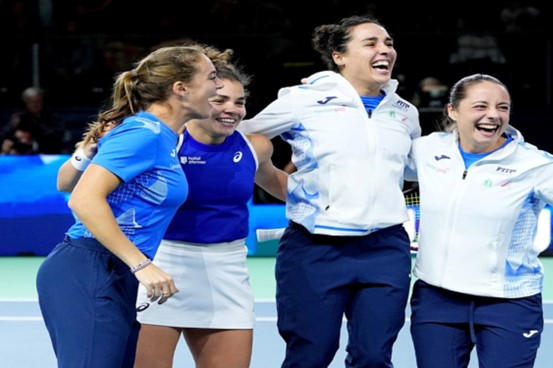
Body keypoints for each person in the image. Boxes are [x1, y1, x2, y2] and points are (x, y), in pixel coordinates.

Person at [56, 47, 289, 368]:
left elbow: (280, 183)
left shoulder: (251, 146)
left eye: (240, 101)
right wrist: (87, 152)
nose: (230, 108)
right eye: (218, 96)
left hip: (223, 270)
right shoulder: (156, 136)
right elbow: (74, 189)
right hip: (156, 265)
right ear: (188, 92)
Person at [238, 15, 421, 367]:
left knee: (374, 357)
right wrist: (277, 182)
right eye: (370, 44)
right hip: (315, 249)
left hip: (386, 249)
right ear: (339, 56)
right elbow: (244, 139)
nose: (385, 50)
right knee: (310, 356)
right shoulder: (304, 100)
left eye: (388, 43)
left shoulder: (404, 112)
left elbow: (412, 169)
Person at [36, 43, 223, 368]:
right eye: (211, 77)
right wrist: (142, 264)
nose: (218, 86)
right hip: (89, 268)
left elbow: (72, 182)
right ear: (180, 89)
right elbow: (82, 198)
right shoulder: (144, 133)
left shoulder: (163, 136)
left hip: (115, 273)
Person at [405, 73, 553, 368]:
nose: (493, 115)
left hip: (509, 302)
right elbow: (374, 163)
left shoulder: (537, 165)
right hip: (436, 299)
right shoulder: (427, 151)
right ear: (453, 110)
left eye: (502, 107)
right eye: (481, 106)